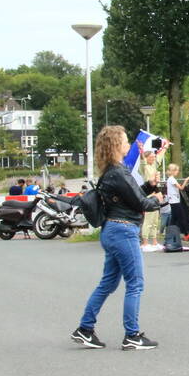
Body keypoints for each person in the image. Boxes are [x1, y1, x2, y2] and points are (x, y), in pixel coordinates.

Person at [71, 125, 162, 351]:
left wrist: (148, 186)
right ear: (115, 145)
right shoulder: (119, 172)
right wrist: (157, 199)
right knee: (135, 283)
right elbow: (141, 203)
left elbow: (128, 197)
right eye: (125, 140)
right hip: (123, 230)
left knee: (108, 284)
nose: (128, 144)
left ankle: (85, 328)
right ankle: (132, 334)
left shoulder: (110, 172)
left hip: (111, 229)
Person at [138, 149, 162, 252]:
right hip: (148, 194)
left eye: (154, 157)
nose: (153, 158)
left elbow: (159, 157)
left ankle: (155, 242)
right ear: (146, 158)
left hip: (155, 193)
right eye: (151, 157)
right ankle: (145, 243)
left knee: (155, 220)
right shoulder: (144, 167)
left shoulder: (153, 166)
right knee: (148, 220)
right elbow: (142, 161)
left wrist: (164, 148)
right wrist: (141, 151)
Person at [165, 164, 189, 239]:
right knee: (181, 217)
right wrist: (186, 180)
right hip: (175, 201)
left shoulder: (170, 179)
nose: (178, 172)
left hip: (173, 201)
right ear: (173, 171)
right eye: (177, 170)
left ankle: (170, 235)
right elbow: (181, 188)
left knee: (174, 219)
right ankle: (186, 234)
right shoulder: (172, 179)